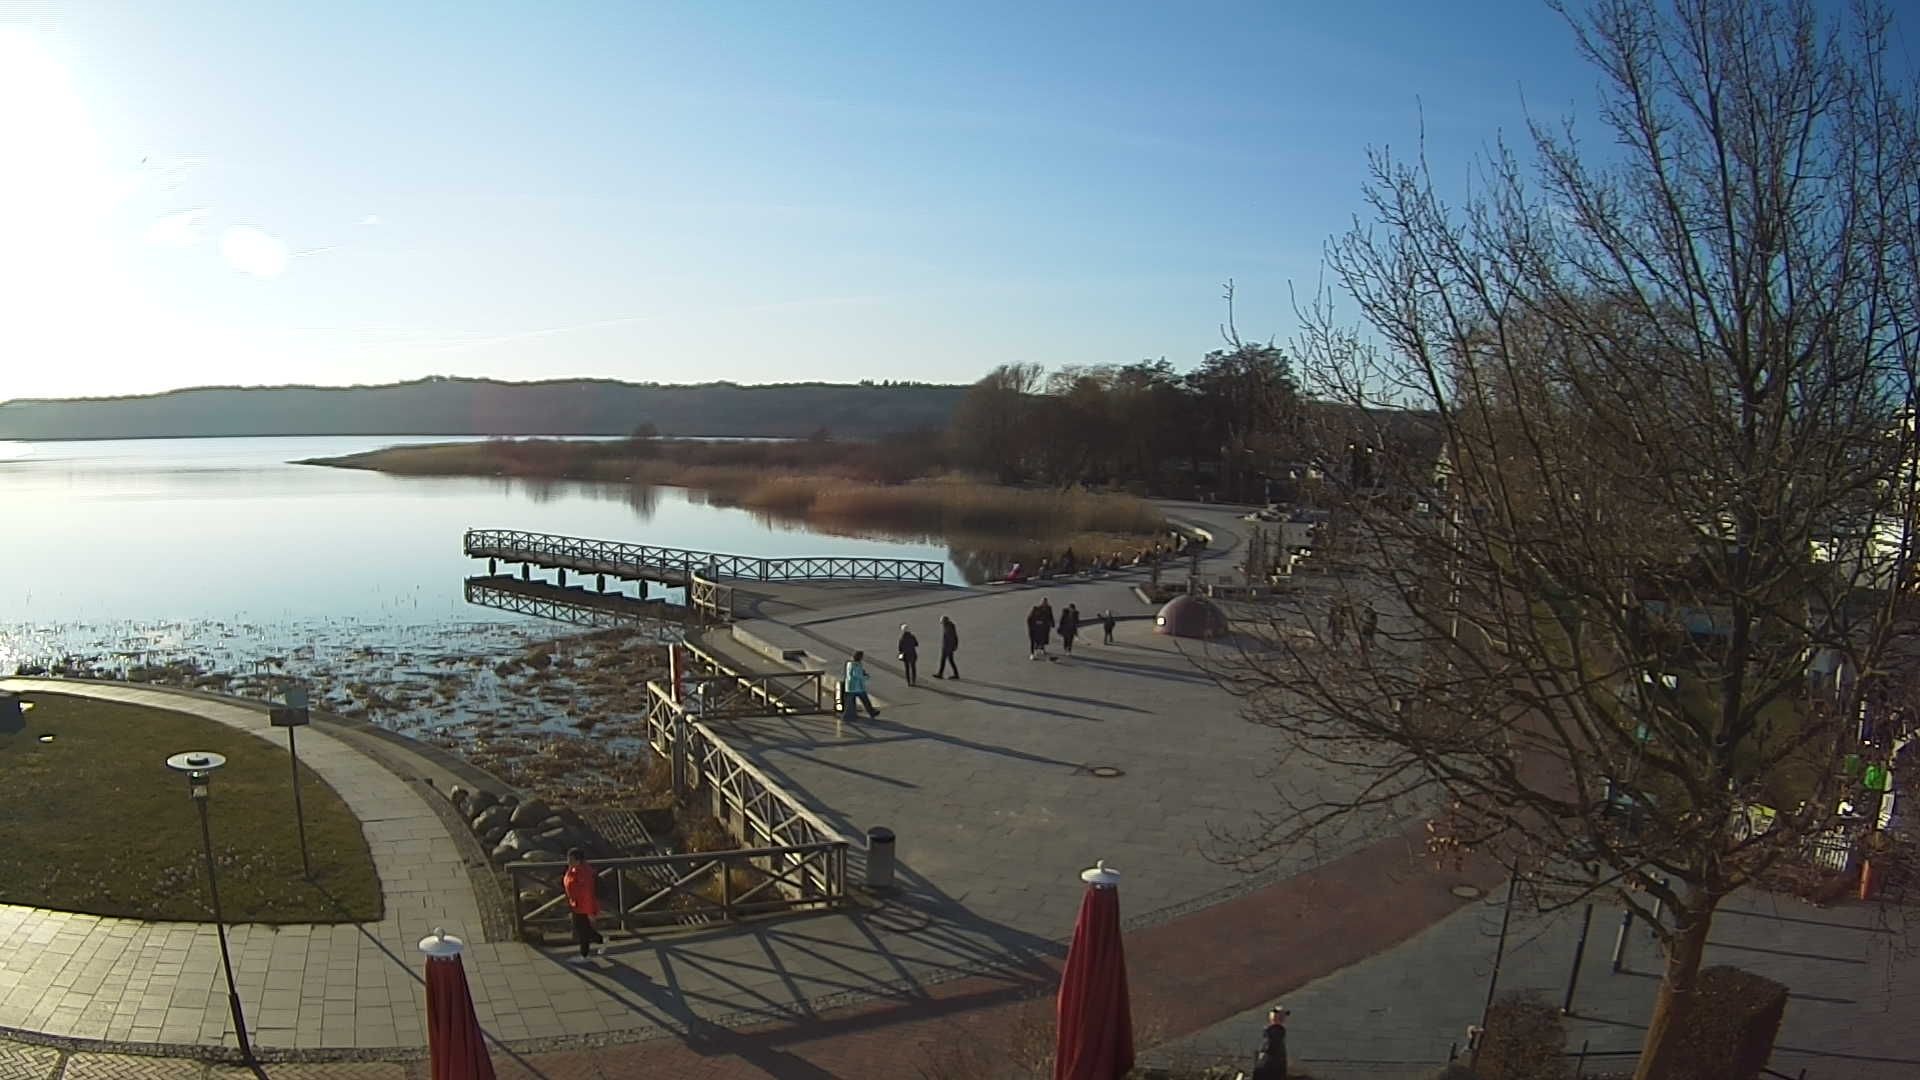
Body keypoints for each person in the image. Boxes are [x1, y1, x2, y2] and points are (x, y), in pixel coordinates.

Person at [564, 848, 606, 964]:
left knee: (582, 930)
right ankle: (601, 940)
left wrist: (590, 912)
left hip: (582, 906)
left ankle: (585, 954)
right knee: (583, 929)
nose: (568, 861)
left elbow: (587, 894)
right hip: (576, 904)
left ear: (578, 860)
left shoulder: (584, 874)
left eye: (571, 859)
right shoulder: (574, 869)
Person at [1250, 1005, 1289, 1080]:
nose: (1283, 1018)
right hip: (1271, 1070)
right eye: (1281, 1016)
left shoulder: (1272, 1032)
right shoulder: (1276, 1032)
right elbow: (1271, 1051)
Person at [842, 650, 880, 720]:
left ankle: (848, 715)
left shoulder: (849, 663)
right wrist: (866, 676)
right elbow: (857, 675)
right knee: (865, 699)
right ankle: (871, 712)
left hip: (851, 686)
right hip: (857, 686)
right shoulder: (856, 664)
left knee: (850, 702)